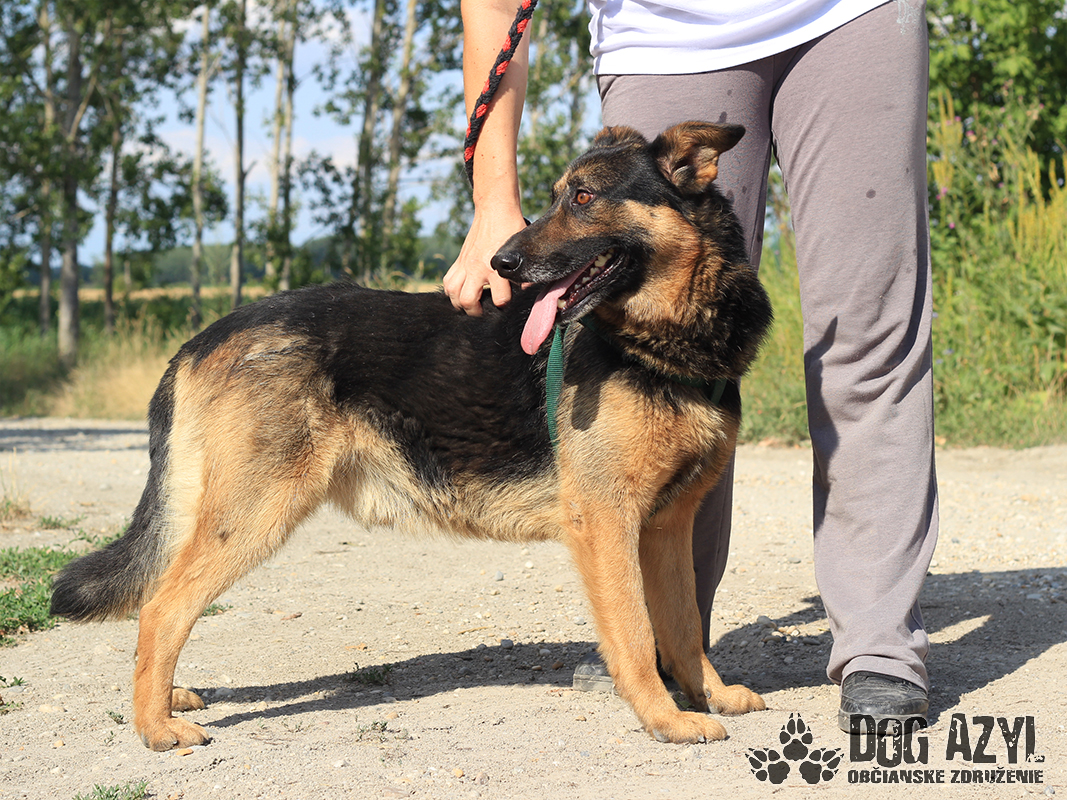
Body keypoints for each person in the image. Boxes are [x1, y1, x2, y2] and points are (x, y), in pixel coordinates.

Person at [446, 0, 938, 732]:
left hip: (853, 16)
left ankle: (879, 645)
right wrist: (493, 199)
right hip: (663, 37)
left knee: (868, 335)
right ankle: (663, 650)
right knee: (635, 339)